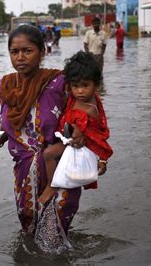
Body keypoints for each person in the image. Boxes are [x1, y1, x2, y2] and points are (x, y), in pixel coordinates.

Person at [0, 25, 86, 249]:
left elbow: (87, 116)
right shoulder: (4, 87)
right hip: (24, 173)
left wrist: (80, 132)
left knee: (52, 242)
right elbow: (9, 128)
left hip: (59, 169)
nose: (20, 57)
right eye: (14, 51)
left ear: (42, 52)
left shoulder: (60, 84)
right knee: (30, 234)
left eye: (27, 51)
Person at [39, 51, 113, 204]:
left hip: (79, 147)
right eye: (75, 86)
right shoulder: (73, 97)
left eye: (85, 86)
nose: (80, 91)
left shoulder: (90, 109)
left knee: (48, 154)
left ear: (96, 85)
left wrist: (103, 160)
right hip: (68, 141)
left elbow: (99, 135)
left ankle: (51, 186)